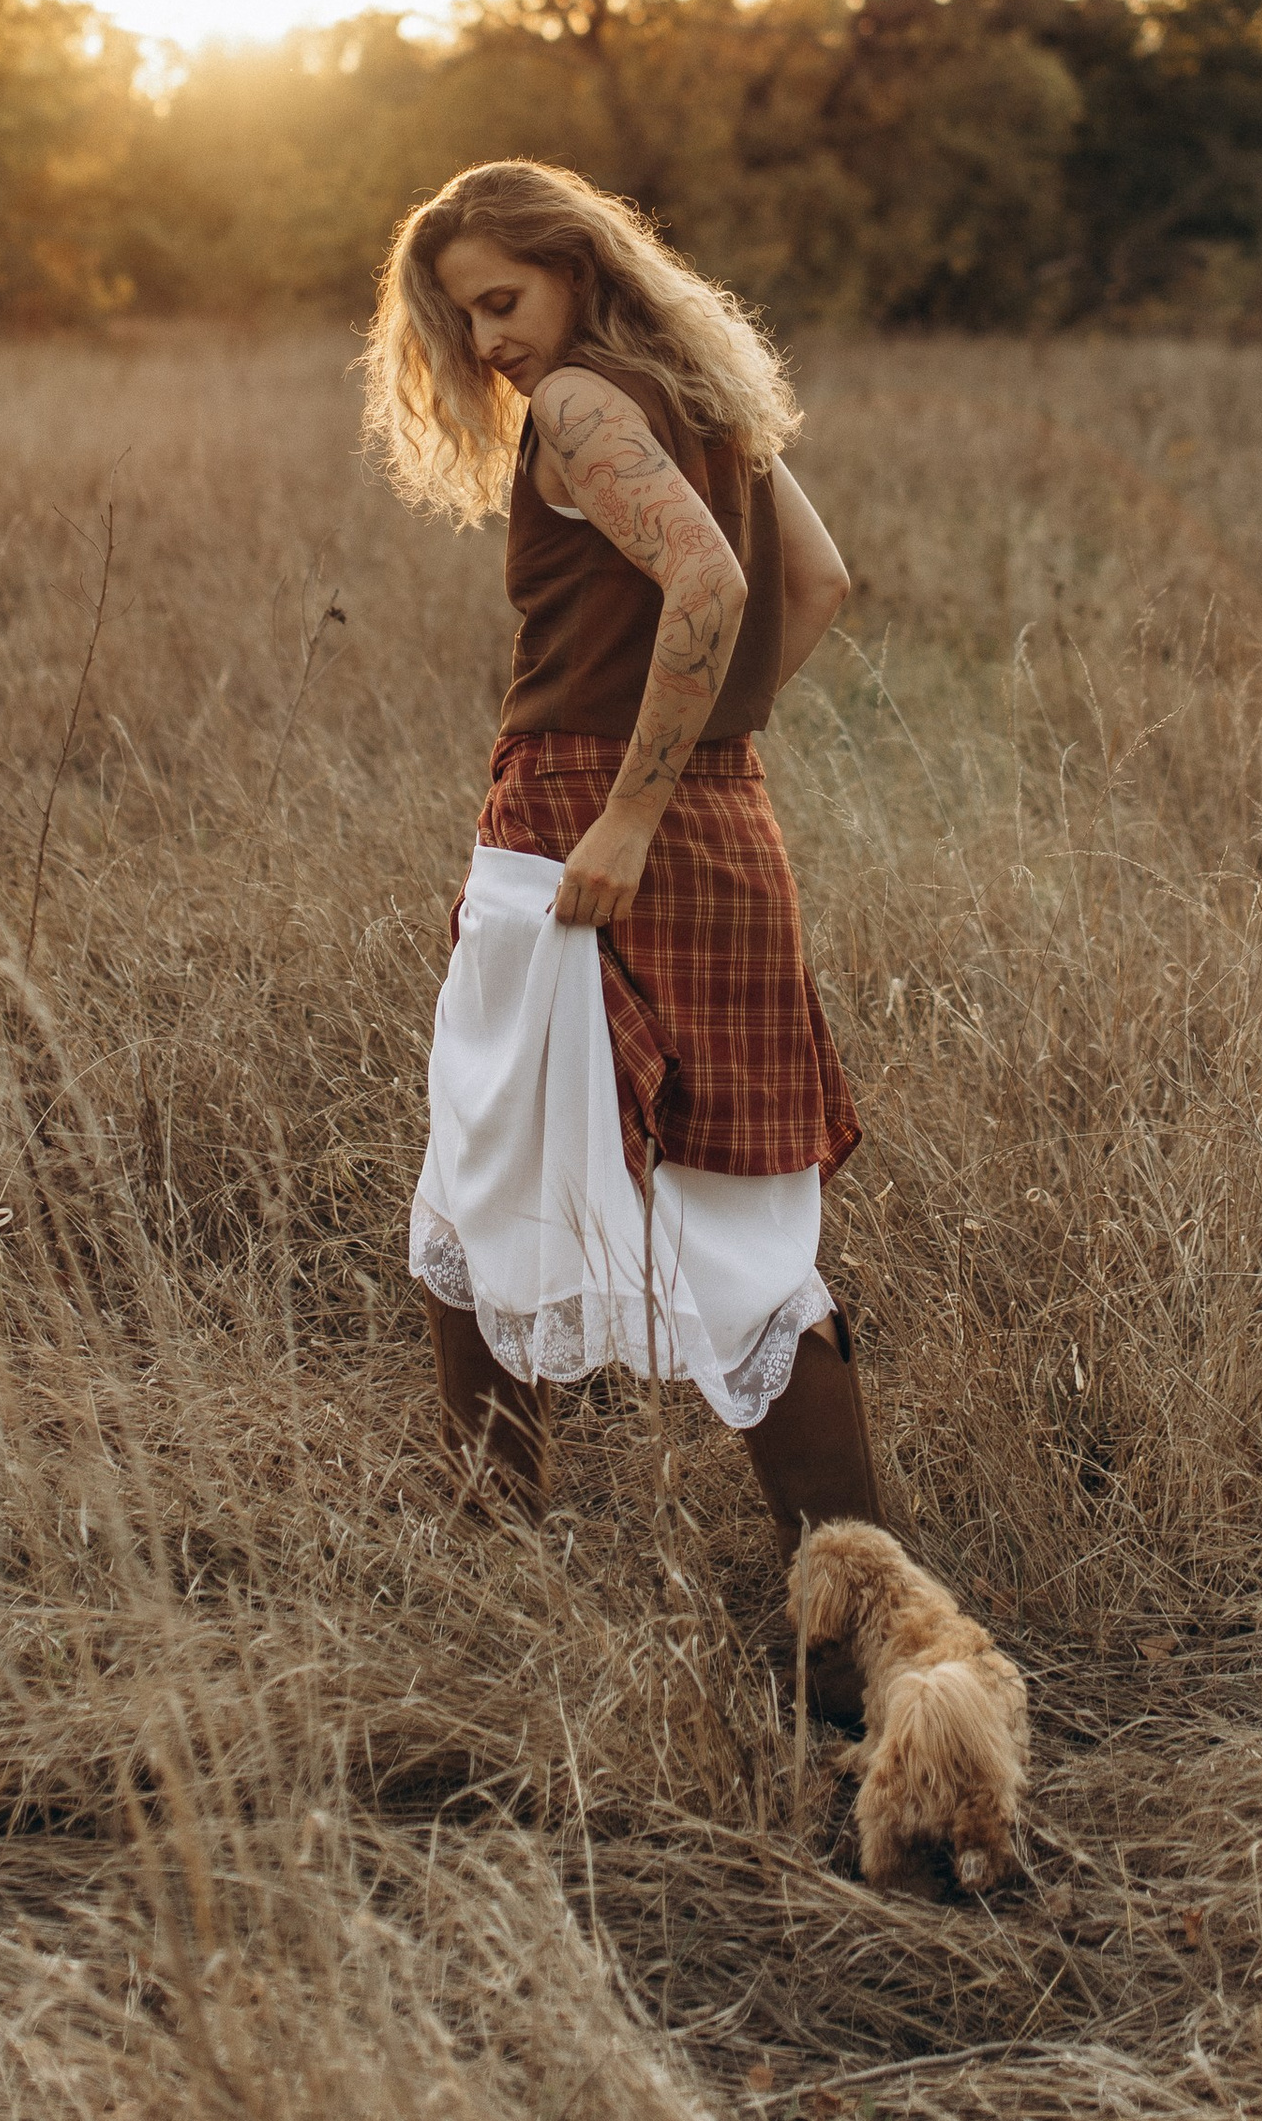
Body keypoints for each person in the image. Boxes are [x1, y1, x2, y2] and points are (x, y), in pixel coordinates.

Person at [363, 156, 885, 1615]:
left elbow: (712, 589)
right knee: (740, 1225)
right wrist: (703, 759)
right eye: (460, 322)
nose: (486, 347)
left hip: (586, 838)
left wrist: (628, 812)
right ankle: (859, 1609)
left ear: (580, 267)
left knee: (471, 1183)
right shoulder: (712, 406)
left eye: (501, 302)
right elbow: (823, 583)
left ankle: (487, 1561)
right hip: (721, 830)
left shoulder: (587, 404)